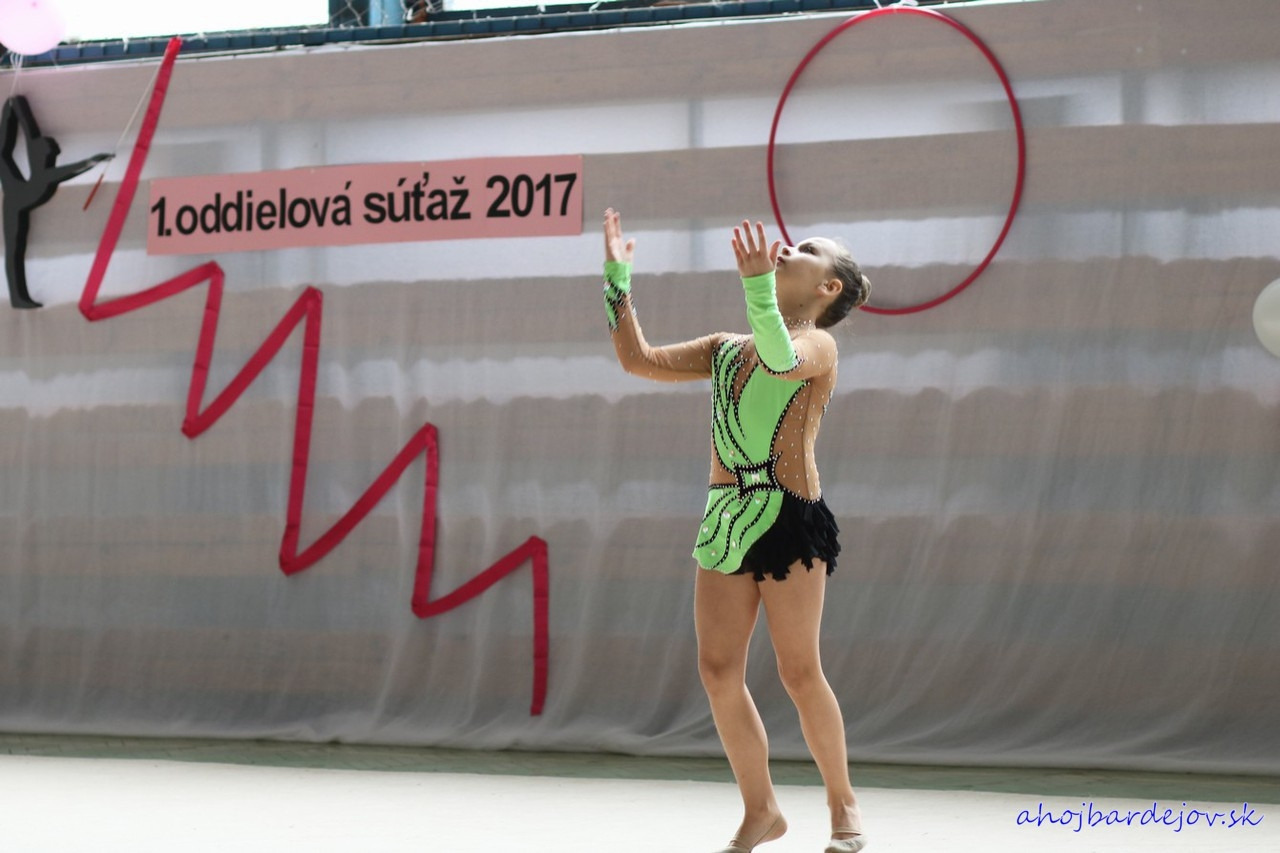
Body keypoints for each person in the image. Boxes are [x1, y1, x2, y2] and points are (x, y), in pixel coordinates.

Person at [602, 208, 872, 853]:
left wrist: (755, 288)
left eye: (806, 249)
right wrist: (617, 281)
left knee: (799, 671)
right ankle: (761, 810)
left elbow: (780, 361)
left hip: (786, 516)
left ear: (828, 287)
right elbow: (638, 359)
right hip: (725, 519)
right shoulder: (726, 349)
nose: (786, 249)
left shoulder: (818, 346)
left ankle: (843, 805)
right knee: (719, 670)